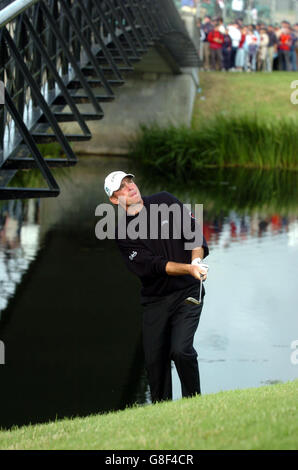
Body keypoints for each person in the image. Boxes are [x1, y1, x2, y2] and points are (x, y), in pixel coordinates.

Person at [104, 171, 209, 403]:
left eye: (129, 181)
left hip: (188, 291)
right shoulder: (122, 233)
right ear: (114, 200)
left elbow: (194, 235)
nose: (130, 187)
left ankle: (195, 405)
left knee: (180, 351)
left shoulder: (165, 201)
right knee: (155, 364)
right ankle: (162, 417)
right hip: (156, 301)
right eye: (121, 187)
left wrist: (196, 262)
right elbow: (155, 266)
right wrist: (188, 268)